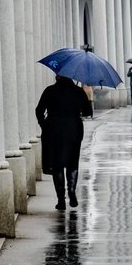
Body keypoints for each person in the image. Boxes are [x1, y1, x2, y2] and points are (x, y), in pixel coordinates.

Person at [36, 76, 93, 211]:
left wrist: (44, 124)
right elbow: (87, 112)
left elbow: (39, 110)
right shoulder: (78, 91)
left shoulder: (49, 91)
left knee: (57, 165)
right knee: (73, 163)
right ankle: (72, 191)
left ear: (58, 77)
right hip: (74, 130)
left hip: (54, 130)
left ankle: (61, 199)